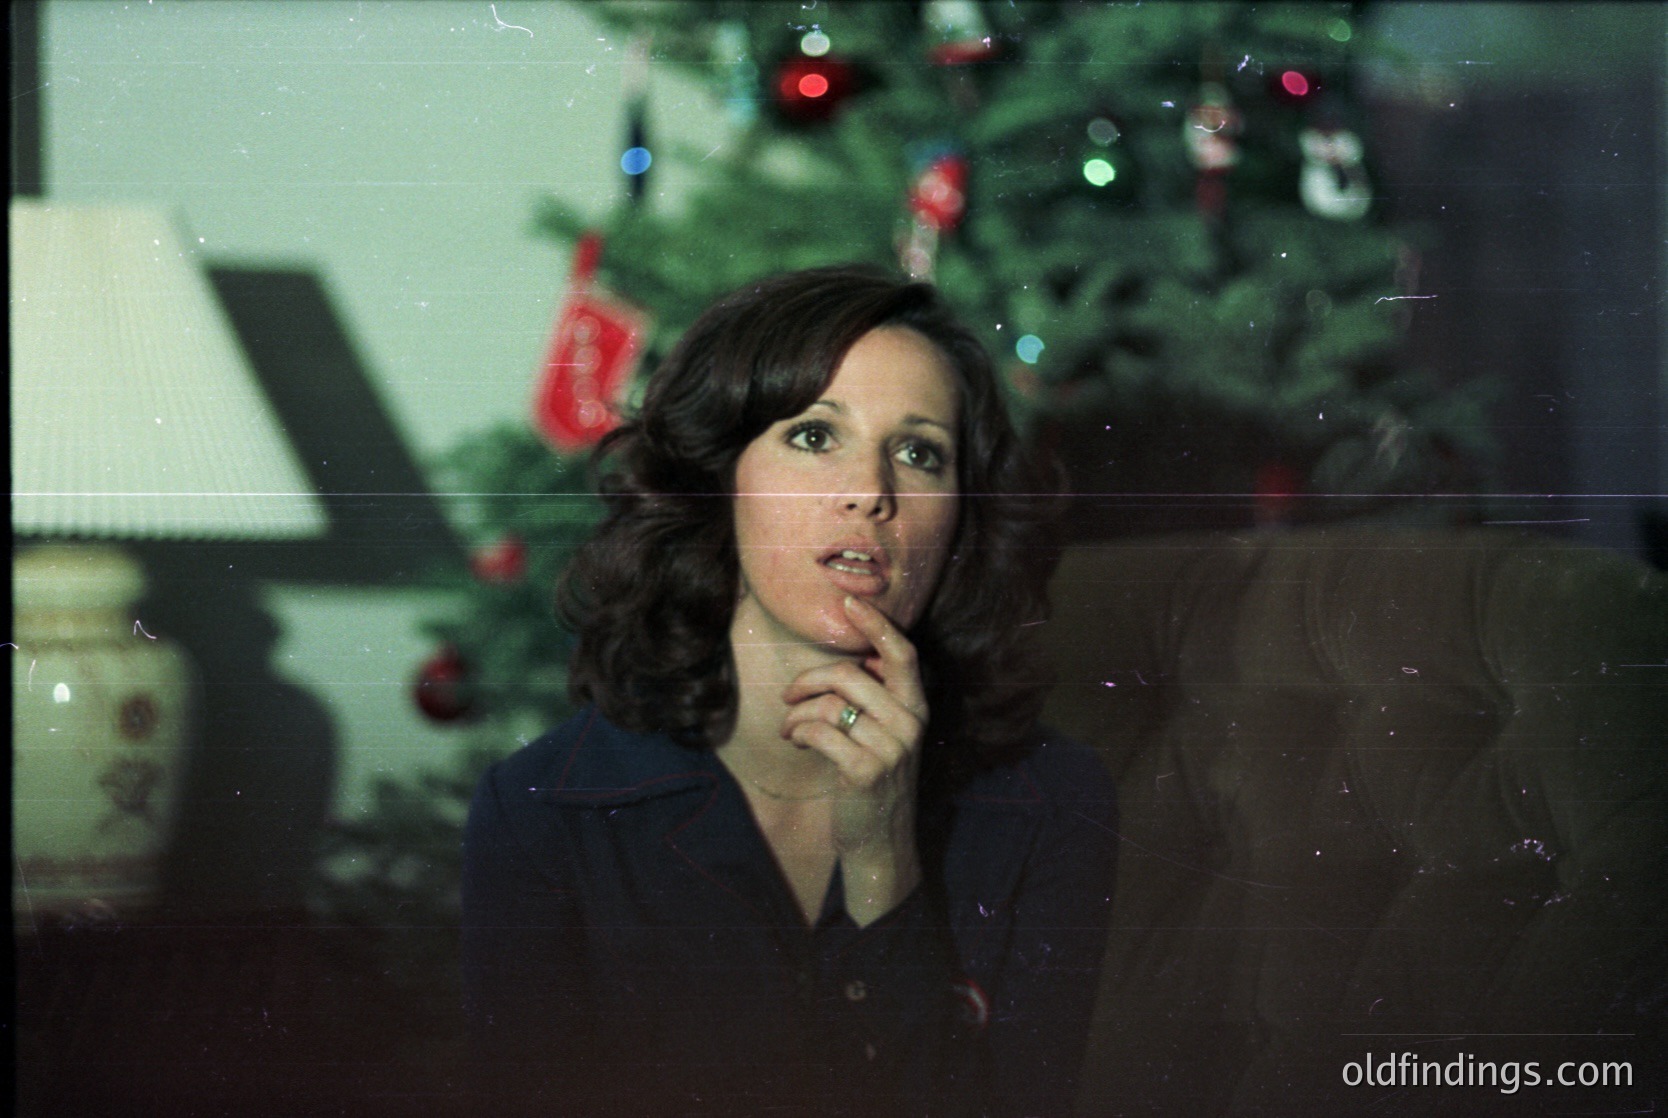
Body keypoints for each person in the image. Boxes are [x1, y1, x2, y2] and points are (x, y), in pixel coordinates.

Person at [461, 265, 1117, 1117]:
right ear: (719, 478)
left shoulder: (1053, 802)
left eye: (919, 453)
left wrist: (884, 870)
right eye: (814, 435)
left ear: (960, 517)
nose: (870, 493)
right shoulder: (544, 811)